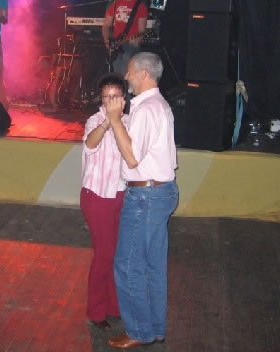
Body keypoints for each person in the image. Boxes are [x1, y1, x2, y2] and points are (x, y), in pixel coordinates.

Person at [105, 52, 179, 349]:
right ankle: (154, 328)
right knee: (152, 266)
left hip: (145, 197)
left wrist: (114, 120)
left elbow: (132, 157)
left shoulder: (147, 109)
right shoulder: (157, 105)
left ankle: (138, 331)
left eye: (131, 71)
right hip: (158, 193)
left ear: (144, 74)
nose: (126, 77)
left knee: (127, 265)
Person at [80, 74, 128, 329]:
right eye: (106, 97)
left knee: (116, 254)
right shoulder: (95, 120)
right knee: (104, 254)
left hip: (121, 195)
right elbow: (89, 145)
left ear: (124, 98)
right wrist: (108, 123)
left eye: (115, 96)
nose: (110, 102)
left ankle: (113, 305)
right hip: (97, 196)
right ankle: (96, 311)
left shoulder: (130, 122)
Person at [101, 0, 148, 77]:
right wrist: (106, 40)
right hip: (116, 45)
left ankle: (127, 86)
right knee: (117, 75)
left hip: (130, 45)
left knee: (127, 69)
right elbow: (106, 26)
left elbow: (142, 31)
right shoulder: (115, 4)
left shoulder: (140, 6)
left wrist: (137, 40)